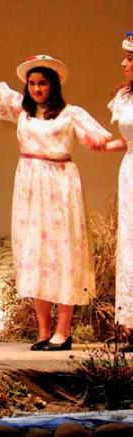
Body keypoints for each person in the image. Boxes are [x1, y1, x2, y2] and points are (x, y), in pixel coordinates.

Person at [0, 28, 119, 351]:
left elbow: (103, 139)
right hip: (29, 186)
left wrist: (115, 143)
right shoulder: (22, 110)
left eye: (42, 83)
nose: (37, 88)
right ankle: (43, 330)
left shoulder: (71, 114)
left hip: (60, 185)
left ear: (53, 85)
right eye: (32, 83)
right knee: (34, 254)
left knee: (62, 253)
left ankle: (63, 330)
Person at [109, 31, 133, 352]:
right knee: (129, 241)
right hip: (130, 169)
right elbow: (124, 140)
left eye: (129, 58)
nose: (123, 63)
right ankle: (130, 324)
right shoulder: (124, 97)